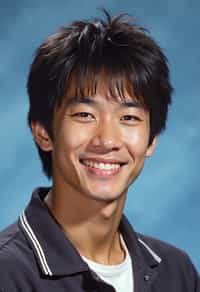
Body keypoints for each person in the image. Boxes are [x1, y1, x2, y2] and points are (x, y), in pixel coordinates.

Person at [0, 10, 199, 292]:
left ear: (152, 139)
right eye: (84, 115)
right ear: (43, 132)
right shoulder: (8, 274)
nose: (107, 140)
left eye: (129, 117)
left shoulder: (176, 273)